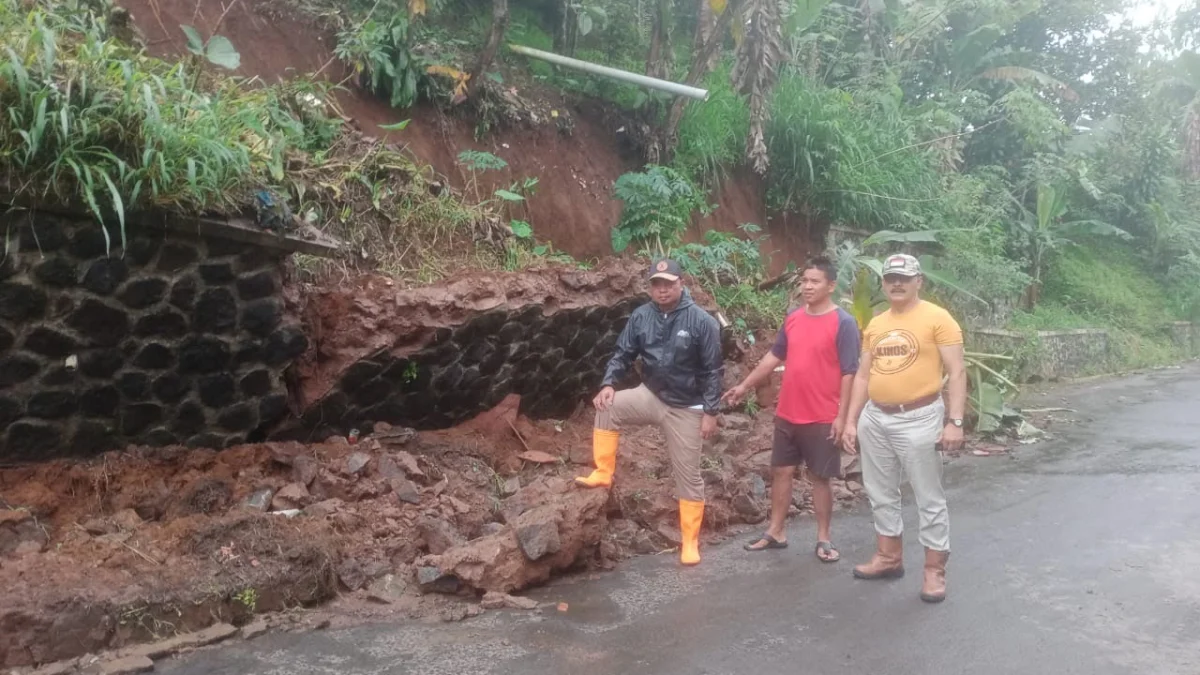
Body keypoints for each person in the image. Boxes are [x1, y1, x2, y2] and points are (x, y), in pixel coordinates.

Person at [575, 258, 723, 566]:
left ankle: (690, 542)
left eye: (669, 283)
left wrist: (711, 412)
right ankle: (603, 472)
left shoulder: (702, 322)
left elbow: (712, 371)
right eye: (657, 284)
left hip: (687, 407)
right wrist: (608, 383)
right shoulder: (641, 317)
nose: (662, 289)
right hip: (652, 394)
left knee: (688, 475)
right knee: (608, 406)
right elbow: (623, 353)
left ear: (681, 284)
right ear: (650, 287)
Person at [841, 253, 966, 603]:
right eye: (891, 278)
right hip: (876, 418)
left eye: (904, 278)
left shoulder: (938, 319)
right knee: (879, 491)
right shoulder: (877, 324)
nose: (897, 283)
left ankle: (933, 570)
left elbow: (956, 371)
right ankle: (889, 557)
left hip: (920, 417)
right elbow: (864, 375)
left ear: (918, 282)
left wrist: (954, 422)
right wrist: (851, 420)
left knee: (928, 496)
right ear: (884, 283)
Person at [722, 256, 860, 562]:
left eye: (815, 281)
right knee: (781, 471)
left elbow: (850, 371)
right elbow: (773, 358)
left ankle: (823, 538)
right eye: (804, 281)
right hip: (788, 412)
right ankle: (776, 531)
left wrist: (842, 416)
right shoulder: (794, 317)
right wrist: (744, 386)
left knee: (819, 477)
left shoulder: (844, 323)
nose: (807, 286)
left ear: (831, 285)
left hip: (822, 414)